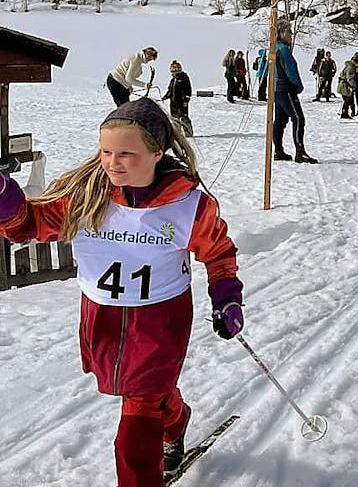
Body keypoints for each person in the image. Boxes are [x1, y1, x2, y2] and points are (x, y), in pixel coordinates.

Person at [0, 98, 243, 487]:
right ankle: (176, 417)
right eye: (106, 151)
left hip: (160, 321)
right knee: (145, 394)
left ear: (156, 153)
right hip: (103, 319)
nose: (112, 162)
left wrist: (226, 297)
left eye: (126, 154)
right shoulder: (85, 197)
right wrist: (2, 195)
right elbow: (26, 225)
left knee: (137, 421)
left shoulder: (188, 206)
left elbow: (217, 253)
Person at [272, 20, 317, 163]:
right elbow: (291, 71)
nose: (291, 34)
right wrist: (298, 85)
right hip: (286, 89)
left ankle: (278, 151)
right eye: (289, 32)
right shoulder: (284, 50)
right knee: (298, 118)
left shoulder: (274, 49)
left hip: (277, 90)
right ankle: (300, 152)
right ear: (283, 33)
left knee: (280, 120)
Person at [162, 60, 193, 137]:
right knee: (174, 119)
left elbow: (188, 90)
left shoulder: (184, 78)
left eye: (176, 68)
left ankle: (188, 133)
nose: (174, 71)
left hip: (181, 102)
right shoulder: (173, 80)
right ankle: (178, 134)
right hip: (173, 103)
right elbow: (170, 91)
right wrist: (166, 96)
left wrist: (186, 100)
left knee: (183, 117)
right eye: (173, 69)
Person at [338, 55, 358, 119]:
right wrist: (353, 87)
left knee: (347, 100)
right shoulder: (351, 68)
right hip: (346, 86)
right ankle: (344, 113)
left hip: (343, 85)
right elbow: (350, 78)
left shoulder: (349, 66)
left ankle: (345, 113)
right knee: (347, 100)